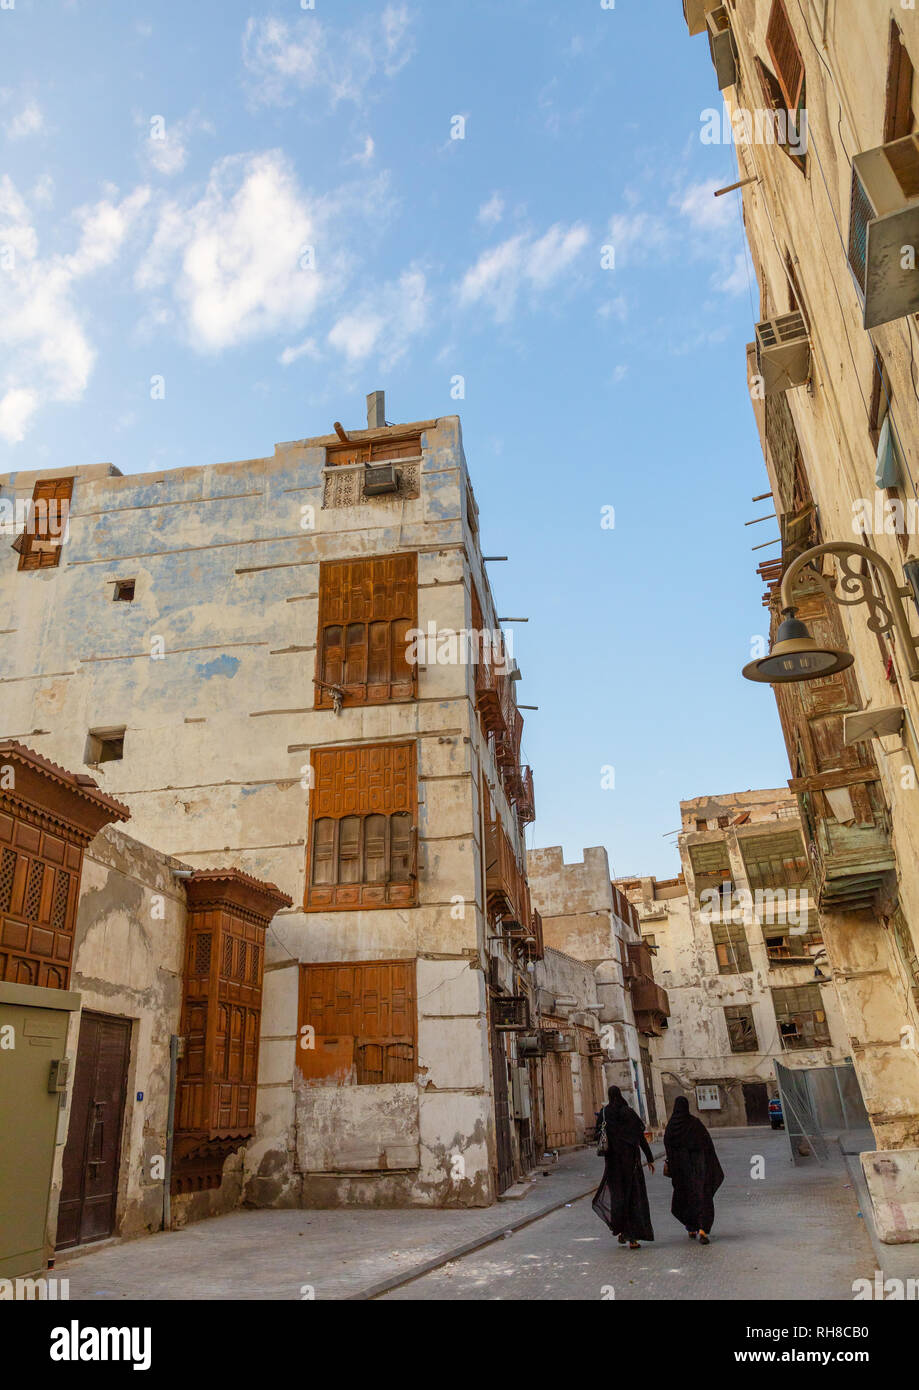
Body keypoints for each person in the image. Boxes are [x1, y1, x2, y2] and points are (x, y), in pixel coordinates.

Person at [592, 1085, 655, 1249]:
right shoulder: (628, 1112)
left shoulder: (605, 1113)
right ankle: (632, 1237)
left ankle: (621, 1231)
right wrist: (649, 1158)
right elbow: (640, 1137)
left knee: (618, 1197)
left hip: (613, 1165)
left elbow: (597, 1134)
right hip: (631, 1164)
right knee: (633, 1196)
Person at [663, 1096, 724, 1244]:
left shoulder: (671, 1127)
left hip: (681, 1170)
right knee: (701, 1195)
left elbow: (668, 1146)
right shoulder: (694, 1124)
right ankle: (702, 1229)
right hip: (698, 1168)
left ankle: (691, 1227)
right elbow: (707, 1144)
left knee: (685, 1197)